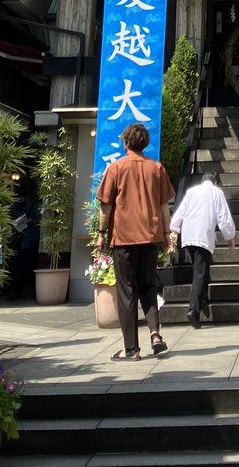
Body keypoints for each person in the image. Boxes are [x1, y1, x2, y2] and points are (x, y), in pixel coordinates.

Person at [95, 122, 175, 360]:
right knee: (149, 286)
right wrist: (167, 232)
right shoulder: (156, 168)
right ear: (145, 143)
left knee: (126, 292)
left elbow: (105, 206)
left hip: (124, 237)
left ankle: (131, 349)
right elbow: (164, 206)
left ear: (126, 142)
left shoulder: (116, 168)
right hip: (150, 237)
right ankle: (155, 334)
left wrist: (101, 234)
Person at [169, 172, 235, 328]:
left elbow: (181, 211)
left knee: (201, 269)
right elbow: (223, 216)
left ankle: (202, 298)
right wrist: (229, 237)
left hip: (188, 235)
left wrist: (174, 229)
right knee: (200, 272)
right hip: (203, 236)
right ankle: (194, 309)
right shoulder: (216, 192)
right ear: (215, 181)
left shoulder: (192, 192)